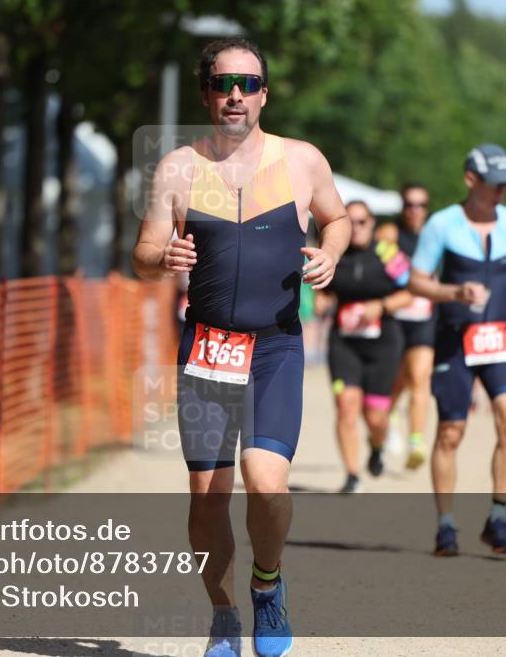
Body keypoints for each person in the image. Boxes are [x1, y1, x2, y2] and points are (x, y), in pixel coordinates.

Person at [132, 38, 351, 657]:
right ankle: (224, 615)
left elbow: (338, 218)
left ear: (264, 95)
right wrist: (161, 258)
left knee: (266, 479)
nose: (236, 95)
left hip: (275, 348)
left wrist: (330, 252)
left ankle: (267, 583)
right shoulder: (176, 168)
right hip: (206, 348)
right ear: (207, 93)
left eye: (249, 85)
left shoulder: (303, 161)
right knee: (207, 494)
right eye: (225, 83)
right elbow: (143, 254)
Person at [408, 144, 506, 557]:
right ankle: (445, 524)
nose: (502, 193)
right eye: (495, 185)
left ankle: (499, 515)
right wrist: (454, 292)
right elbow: (416, 281)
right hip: (455, 338)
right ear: (471, 180)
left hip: (499, 339)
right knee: (451, 431)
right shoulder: (442, 224)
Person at [325, 200, 412, 493]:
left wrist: (383, 305)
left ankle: (376, 445)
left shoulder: (388, 254)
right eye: (351, 222)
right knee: (346, 406)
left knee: (375, 416)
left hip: (383, 342)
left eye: (363, 222)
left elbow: (411, 293)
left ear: (372, 223)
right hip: (344, 342)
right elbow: (321, 288)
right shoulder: (335, 254)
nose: (358, 228)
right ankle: (352, 475)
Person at [378, 183, 436, 470]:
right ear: (403, 207)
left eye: (421, 204)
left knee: (420, 376)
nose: (416, 210)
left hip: (425, 318)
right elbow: (388, 265)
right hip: (395, 319)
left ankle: (416, 441)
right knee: (396, 382)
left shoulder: (435, 235)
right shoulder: (391, 234)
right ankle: (390, 421)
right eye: (410, 204)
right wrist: (414, 288)